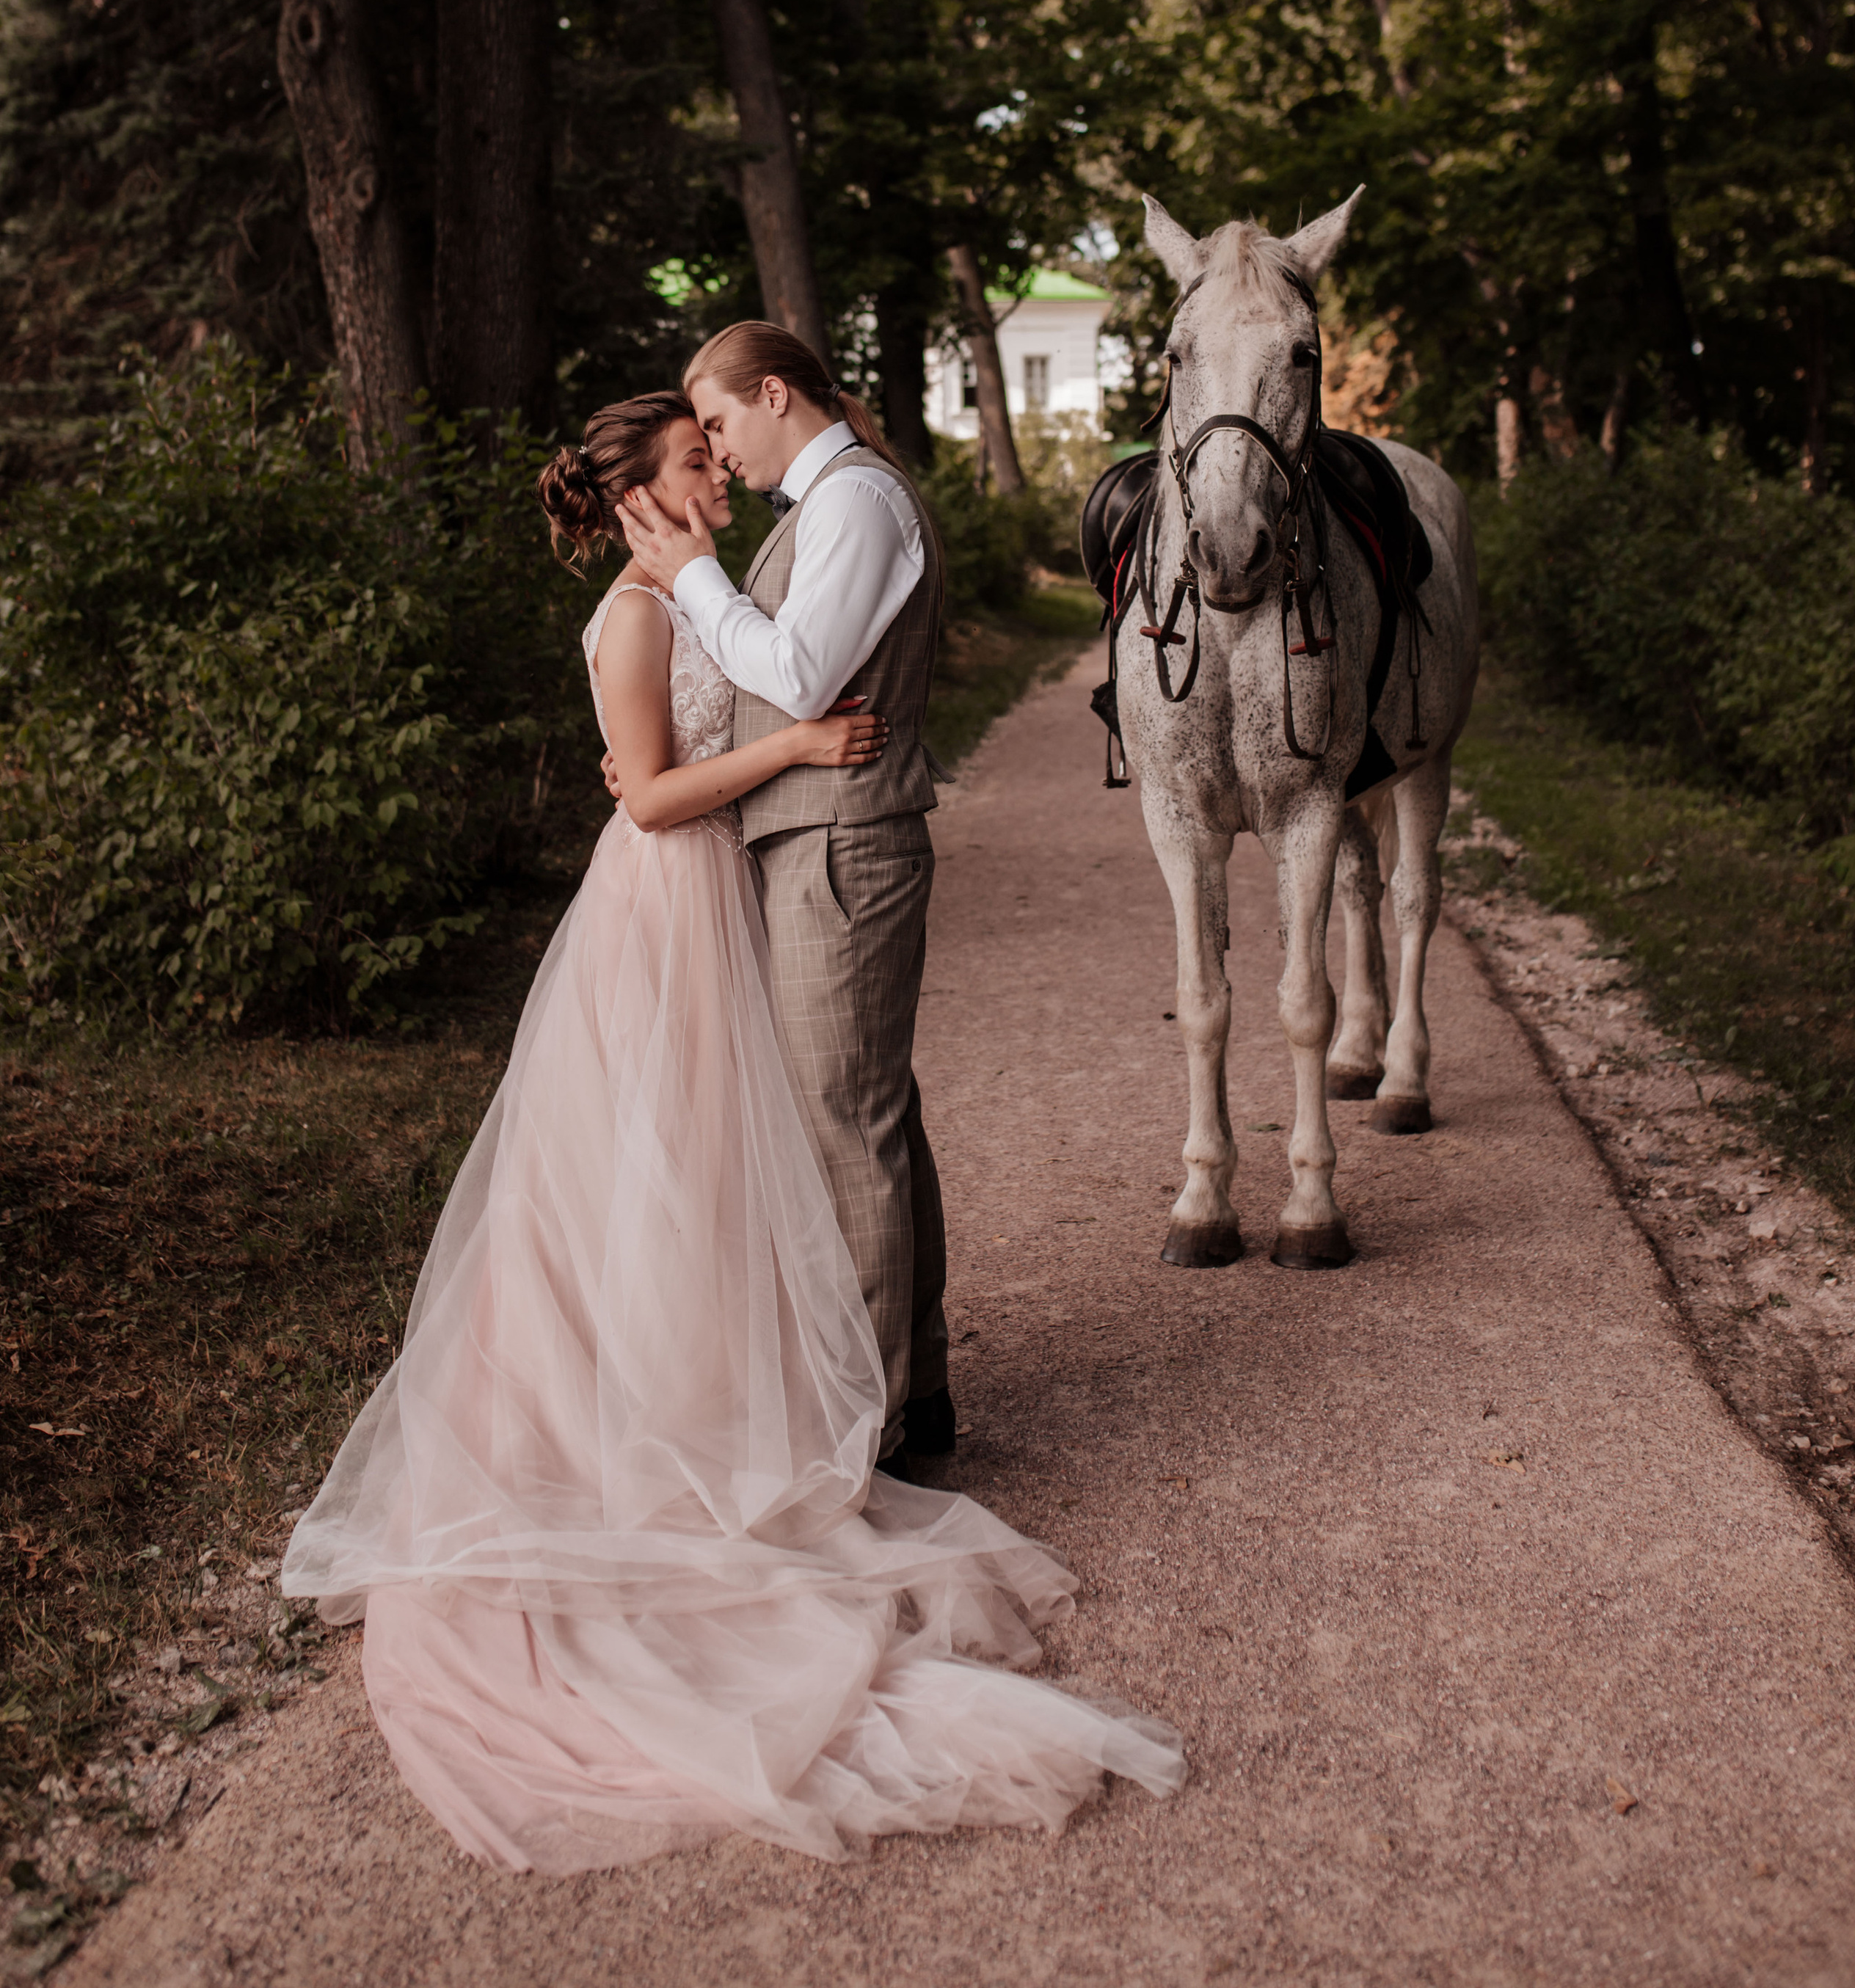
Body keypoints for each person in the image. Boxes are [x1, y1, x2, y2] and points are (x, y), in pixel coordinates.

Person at [280, 391, 1182, 1873]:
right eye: (692, 453)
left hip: (711, 897)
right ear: (641, 487)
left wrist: (770, 738)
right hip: (658, 911)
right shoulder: (636, 617)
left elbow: (676, 743)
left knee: (706, 1181)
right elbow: (643, 802)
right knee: (641, 1178)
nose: (716, 460)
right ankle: (625, 1432)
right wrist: (796, 750)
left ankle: (710, 1401)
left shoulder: (702, 588)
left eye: (715, 441)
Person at [611, 323, 950, 1479]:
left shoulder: (854, 501)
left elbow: (802, 673)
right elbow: (774, 680)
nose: (714, 451)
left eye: (715, 425)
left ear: (771, 394)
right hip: (814, 843)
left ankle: (875, 1428)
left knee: (844, 1132)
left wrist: (693, 581)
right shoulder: (825, 508)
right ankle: (917, 1392)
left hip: (842, 848)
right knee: (871, 1117)